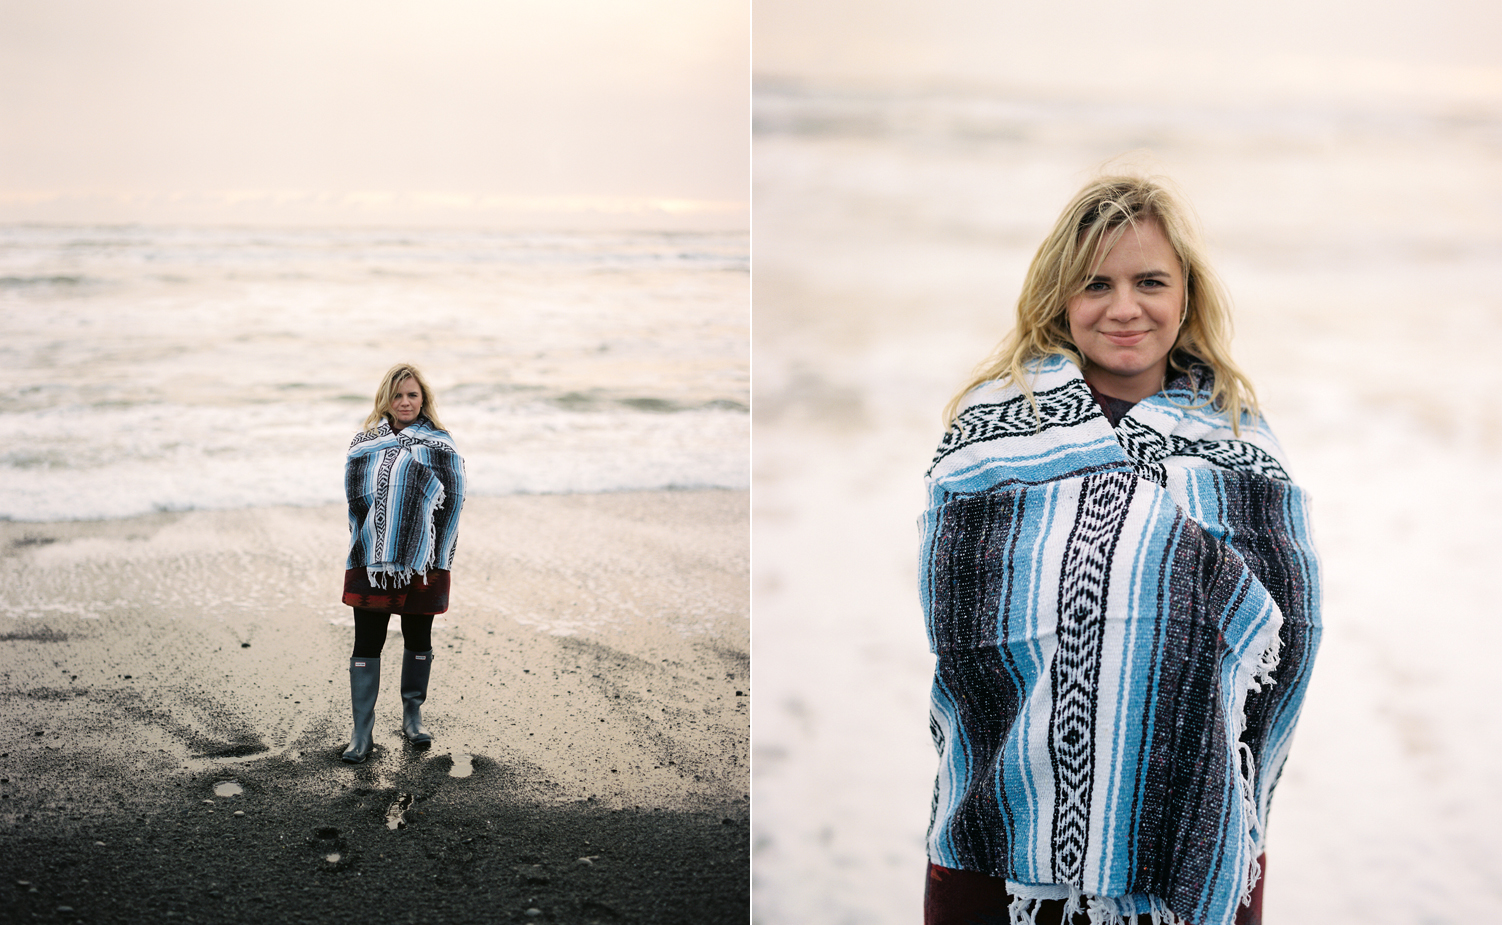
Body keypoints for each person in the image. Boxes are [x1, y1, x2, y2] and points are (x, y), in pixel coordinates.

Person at [919, 176, 1321, 925]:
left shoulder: (1239, 439)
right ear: (1059, 297)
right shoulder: (991, 432)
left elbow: (1291, 628)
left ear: (1187, 296)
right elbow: (964, 625)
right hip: (1004, 825)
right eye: (1095, 282)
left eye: (1150, 281)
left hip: (1201, 830)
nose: (1125, 306)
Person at [340, 363, 466, 764]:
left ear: (423, 398)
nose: (405, 402)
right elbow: (357, 501)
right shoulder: (364, 444)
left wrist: (429, 550)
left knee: (418, 637)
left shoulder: (440, 443)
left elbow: (454, 500)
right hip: (373, 555)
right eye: (398, 395)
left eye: (412, 394)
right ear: (386, 400)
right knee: (367, 642)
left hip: (423, 561)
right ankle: (362, 733)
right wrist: (374, 540)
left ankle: (412, 717)